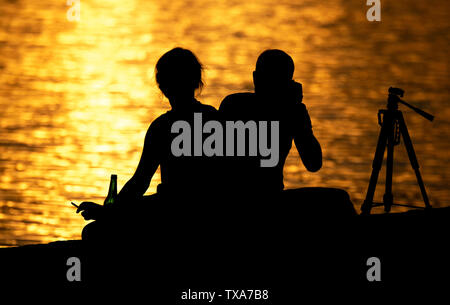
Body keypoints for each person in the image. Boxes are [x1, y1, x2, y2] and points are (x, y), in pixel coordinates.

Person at [77, 48, 220, 240]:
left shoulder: (162, 127)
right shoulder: (215, 119)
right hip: (206, 212)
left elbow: (139, 183)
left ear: (162, 87)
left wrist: (107, 212)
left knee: (93, 232)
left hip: (171, 212)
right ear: (196, 81)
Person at [219, 49, 356, 216]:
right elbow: (314, 164)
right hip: (264, 202)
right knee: (340, 200)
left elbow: (314, 164)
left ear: (255, 78)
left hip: (235, 201)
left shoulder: (233, 103)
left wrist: (297, 114)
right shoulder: (288, 111)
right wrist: (296, 111)